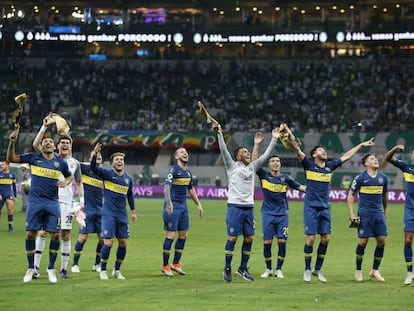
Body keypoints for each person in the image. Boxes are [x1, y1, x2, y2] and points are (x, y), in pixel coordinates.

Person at [284, 124, 375, 282]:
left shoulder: (329, 167)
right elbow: (296, 150)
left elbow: (346, 156)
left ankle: (317, 270)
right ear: (313, 155)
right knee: (311, 239)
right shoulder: (308, 164)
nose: (323, 151)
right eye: (320, 150)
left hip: (325, 207)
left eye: (324, 150)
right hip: (311, 207)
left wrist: (361, 145)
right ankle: (306, 269)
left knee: (325, 239)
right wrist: (291, 134)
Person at [6, 128, 73, 283]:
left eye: (50, 141)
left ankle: (51, 268)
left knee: (55, 235)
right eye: (45, 142)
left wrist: (65, 181)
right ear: (40, 146)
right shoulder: (33, 158)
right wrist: (12, 141)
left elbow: (69, 176)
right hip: (35, 203)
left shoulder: (60, 162)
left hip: (52, 203)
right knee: (30, 234)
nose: (48, 143)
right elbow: (11, 157)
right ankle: (31, 268)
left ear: (54, 146)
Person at [217, 127, 280, 283]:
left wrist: (274, 139)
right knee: (232, 238)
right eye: (245, 152)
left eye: (248, 152)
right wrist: (218, 133)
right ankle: (227, 268)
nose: (248, 153)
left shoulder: (252, 167)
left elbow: (265, 156)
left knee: (249, 238)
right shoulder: (231, 166)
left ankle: (243, 268)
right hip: (234, 207)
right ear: (238, 155)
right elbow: (223, 150)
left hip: (249, 208)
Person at [32, 117, 84, 280]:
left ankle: (63, 269)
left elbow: (79, 183)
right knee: (43, 233)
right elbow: (35, 145)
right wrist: (43, 127)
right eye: (62, 143)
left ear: (70, 145)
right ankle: (35, 268)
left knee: (65, 235)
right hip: (48, 201)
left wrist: (82, 201)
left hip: (67, 203)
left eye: (67, 143)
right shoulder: (50, 158)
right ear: (58, 145)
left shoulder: (75, 163)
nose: (64, 145)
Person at [252, 134, 306, 278]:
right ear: (269, 165)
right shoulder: (263, 175)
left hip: (283, 214)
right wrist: (257, 145)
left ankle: (279, 269)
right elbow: (254, 162)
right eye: (273, 161)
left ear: (280, 164)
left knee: (282, 242)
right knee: (267, 242)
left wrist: (316, 186)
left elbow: (301, 188)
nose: (276, 163)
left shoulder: (286, 178)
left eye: (278, 161)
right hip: (268, 214)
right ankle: (268, 268)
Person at [90, 143, 137, 280]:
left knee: (123, 242)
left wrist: (133, 211)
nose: (119, 161)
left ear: (124, 163)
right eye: (116, 159)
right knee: (108, 242)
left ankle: (117, 270)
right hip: (108, 214)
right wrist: (95, 154)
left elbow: (130, 195)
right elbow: (93, 168)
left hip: (122, 215)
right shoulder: (107, 174)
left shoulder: (128, 179)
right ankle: (103, 270)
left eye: (121, 159)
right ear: (112, 163)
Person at [161, 147, 203, 277]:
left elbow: (191, 190)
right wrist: (169, 203)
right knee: (170, 235)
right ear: (176, 157)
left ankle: (176, 263)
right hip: (172, 206)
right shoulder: (174, 170)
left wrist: (198, 204)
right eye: (181, 152)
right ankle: (165, 265)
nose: (184, 153)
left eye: (186, 152)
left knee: (183, 235)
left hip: (183, 207)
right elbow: (166, 187)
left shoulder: (188, 173)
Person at [347, 153, 388, 282]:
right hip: (365, 213)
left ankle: (375, 270)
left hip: (378, 213)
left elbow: (384, 196)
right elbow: (350, 195)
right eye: (372, 159)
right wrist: (352, 213)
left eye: (376, 158)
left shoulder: (383, 178)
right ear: (366, 164)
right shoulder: (360, 178)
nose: (375, 159)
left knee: (382, 240)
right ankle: (358, 270)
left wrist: (385, 211)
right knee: (363, 242)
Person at [383, 145, 414, 285]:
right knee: (408, 240)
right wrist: (395, 148)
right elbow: (387, 158)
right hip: (410, 210)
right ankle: (409, 272)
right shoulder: (407, 167)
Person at [71, 151, 104, 273]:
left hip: (100, 210)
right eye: (95, 155)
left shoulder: (103, 174)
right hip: (86, 210)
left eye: (100, 156)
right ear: (90, 159)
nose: (98, 156)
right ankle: (75, 264)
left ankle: (97, 264)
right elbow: (72, 162)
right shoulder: (84, 169)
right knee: (83, 238)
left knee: (102, 239)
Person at [0, 160, 17, 232]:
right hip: (1, 195)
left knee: (10, 210)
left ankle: (10, 227)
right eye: (1, 165)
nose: (1, 166)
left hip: (8, 194)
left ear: (7, 165)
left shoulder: (12, 175)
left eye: (3, 164)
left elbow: (14, 186)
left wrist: (15, 196)